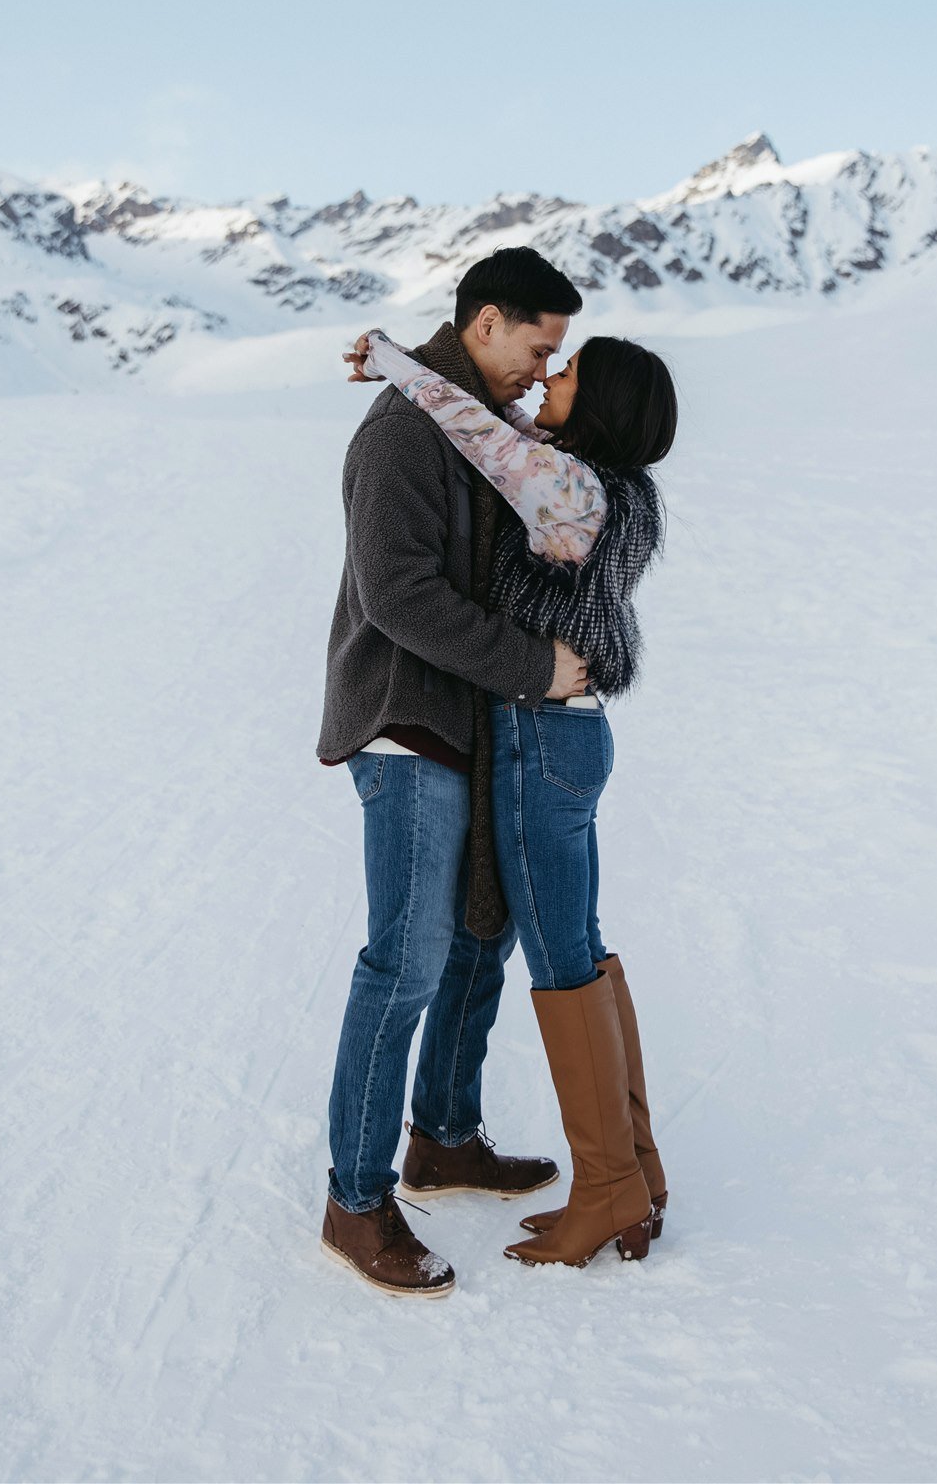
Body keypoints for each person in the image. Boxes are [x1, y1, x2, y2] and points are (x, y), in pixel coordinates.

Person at [344, 303, 677, 1272]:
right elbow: (499, 431)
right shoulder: (604, 483)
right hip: (559, 737)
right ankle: (636, 1172)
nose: (547, 379)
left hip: (540, 735)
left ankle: (610, 1184)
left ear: (600, 405)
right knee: (579, 949)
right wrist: (400, 365)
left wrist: (398, 366)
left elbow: (483, 434)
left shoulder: (570, 486)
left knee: (564, 960)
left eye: (567, 369)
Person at [314, 248, 593, 1298]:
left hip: (473, 718)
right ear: (484, 322)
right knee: (408, 958)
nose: (541, 365)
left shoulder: (472, 422)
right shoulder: (400, 433)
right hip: (407, 718)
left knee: (484, 934)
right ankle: (354, 1199)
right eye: (537, 343)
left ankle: (445, 1135)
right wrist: (535, 665)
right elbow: (396, 593)